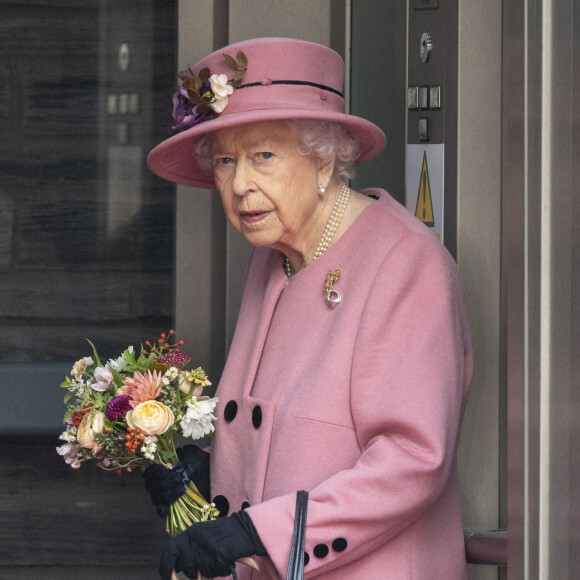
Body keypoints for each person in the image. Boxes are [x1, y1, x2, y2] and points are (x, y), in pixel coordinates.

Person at [145, 37, 473, 580]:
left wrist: (259, 533)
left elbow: (412, 461)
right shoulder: (272, 257)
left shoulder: (407, 264)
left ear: (324, 158)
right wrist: (209, 469)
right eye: (225, 161)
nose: (241, 184)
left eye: (263, 156)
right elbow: (284, 431)